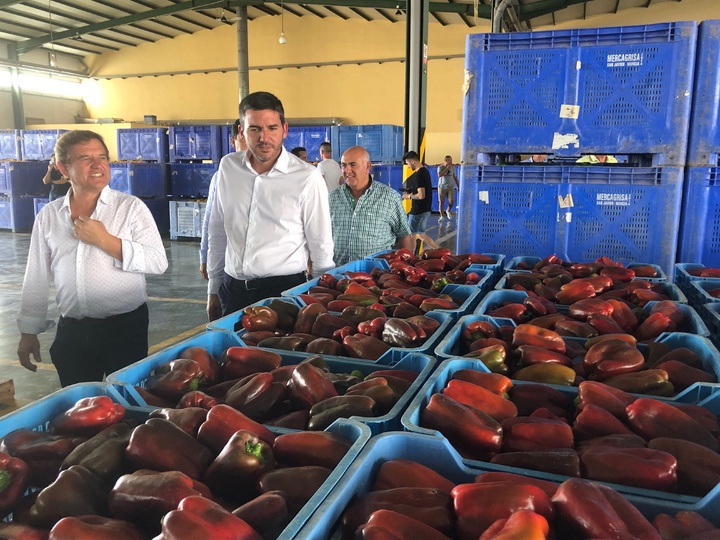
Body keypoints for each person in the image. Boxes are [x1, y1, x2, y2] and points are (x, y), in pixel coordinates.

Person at [16, 130, 168, 387]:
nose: (98, 165)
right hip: (73, 332)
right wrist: (28, 330)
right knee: (80, 409)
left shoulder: (130, 208)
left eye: (102, 157)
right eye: (86, 158)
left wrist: (105, 241)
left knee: (128, 401)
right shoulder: (49, 216)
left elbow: (157, 261)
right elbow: (37, 275)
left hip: (124, 330)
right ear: (63, 168)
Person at [206, 91, 334, 321]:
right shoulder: (228, 167)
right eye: (254, 128)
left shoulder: (306, 177)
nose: (264, 137)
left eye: (272, 128)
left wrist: (320, 301)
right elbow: (217, 229)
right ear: (242, 131)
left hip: (282, 294)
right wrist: (214, 288)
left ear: (284, 129)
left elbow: (321, 245)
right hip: (232, 291)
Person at [329, 146, 413, 266]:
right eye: (343, 165)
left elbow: (405, 235)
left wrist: (404, 269)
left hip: (376, 277)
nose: (347, 170)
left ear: (367, 167)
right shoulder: (332, 198)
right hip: (338, 276)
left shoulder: (389, 197)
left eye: (353, 165)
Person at [199, 119, 246, 280]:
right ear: (233, 142)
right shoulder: (222, 176)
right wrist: (205, 255)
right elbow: (213, 222)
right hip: (231, 266)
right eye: (243, 138)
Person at [401, 151, 439, 251]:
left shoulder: (419, 175)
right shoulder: (424, 171)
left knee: (412, 235)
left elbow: (421, 195)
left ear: (413, 161)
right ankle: (440, 251)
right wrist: (411, 190)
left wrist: (408, 196)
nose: (408, 166)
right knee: (419, 234)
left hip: (419, 210)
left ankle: (411, 257)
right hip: (424, 209)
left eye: (407, 163)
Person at [436, 155, 459, 222]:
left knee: (451, 201)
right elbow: (439, 175)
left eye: (451, 161)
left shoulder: (453, 168)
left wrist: (458, 185)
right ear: (445, 161)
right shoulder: (440, 167)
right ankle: (442, 216)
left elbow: (455, 177)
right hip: (442, 187)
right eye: (449, 161)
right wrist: (446, 169)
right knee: (441, 202)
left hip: (450, 186)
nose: (451, 162)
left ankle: (448, 210)